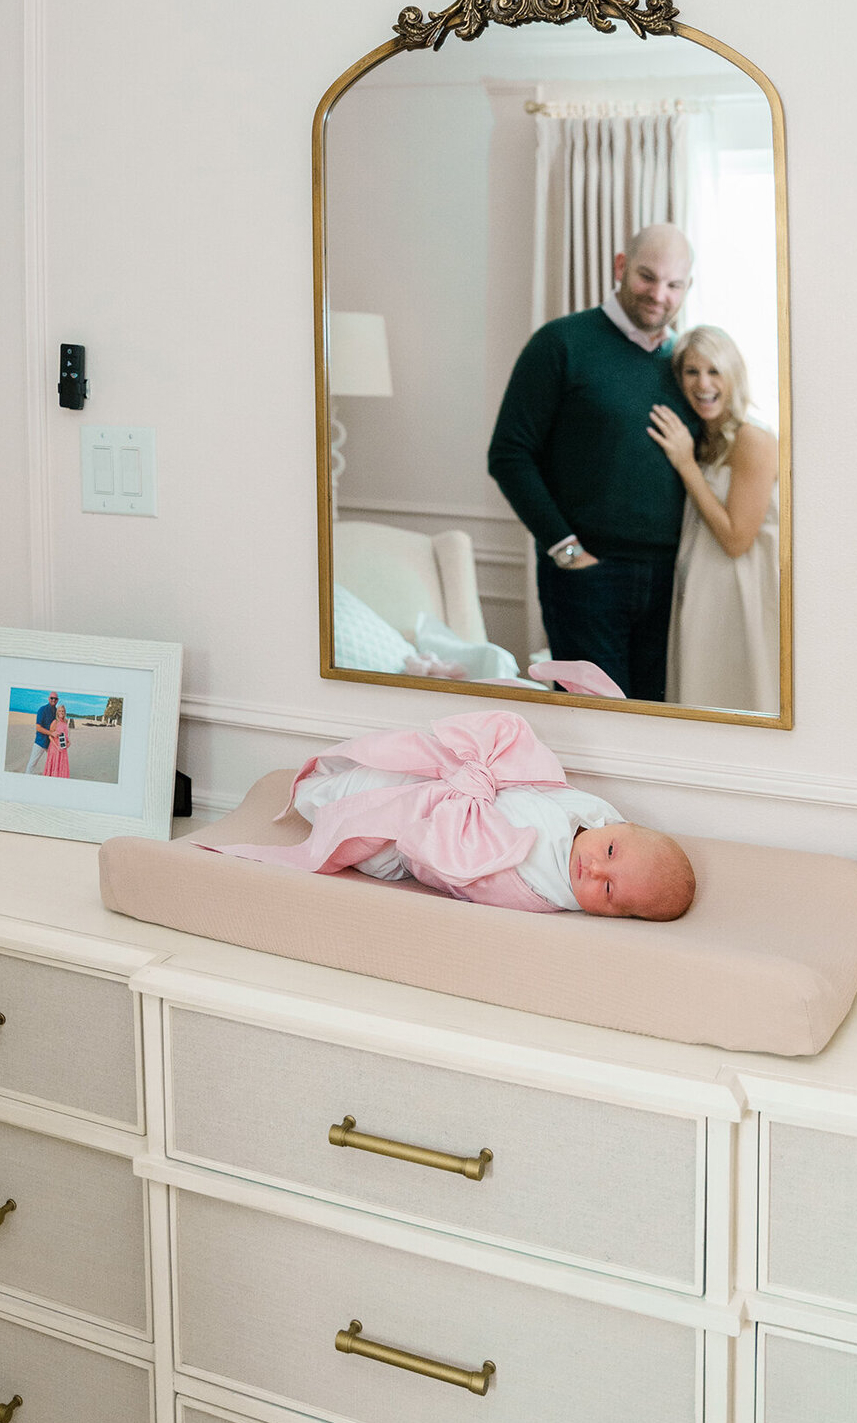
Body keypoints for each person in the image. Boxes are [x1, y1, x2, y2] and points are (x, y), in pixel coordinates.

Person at [487, 223, 700, 702]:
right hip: (588, 575)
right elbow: (509, 454)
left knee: (659, 725)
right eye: (648, 277)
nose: (659, 295)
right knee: (597, 728)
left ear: (688, 288)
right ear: (621, 267)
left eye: (674, 284)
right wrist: (568, 553)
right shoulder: (561, 343)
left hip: (672, 580)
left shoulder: (685, 362)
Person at [212, 711, 696, 920]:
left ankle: (323, 804)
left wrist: (457, 806)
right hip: (463, 786)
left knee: (376, 825)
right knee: (400, 760)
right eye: (610, 851)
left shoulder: (539, 886)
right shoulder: (592, 814)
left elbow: (461, 872)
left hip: (426, 839)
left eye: (608, 891)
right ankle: (327, 786)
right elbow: (542, 786)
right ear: (620, 825)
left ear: (613, 915)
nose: (593, 867)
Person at [647, 326, 780, 712]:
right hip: (703, 593)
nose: (703, 383)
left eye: (714, 371)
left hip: (740, 597)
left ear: (733, 375)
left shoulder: (753, 439)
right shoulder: (703, 440)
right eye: (691, 372)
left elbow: (737, 540)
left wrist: (686, 465)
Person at [24, 690, 60, 774]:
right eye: (52, 698)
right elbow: (38, 728)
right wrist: (51, 733)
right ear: (48, 699)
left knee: (54, 763)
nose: (53, 700)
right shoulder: (42, 709)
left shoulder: (57, 711)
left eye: (55, 698)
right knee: (32, 763)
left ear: (57, 700)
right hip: (40, 742)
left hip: (51, 743)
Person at [43, 704, 71, 779]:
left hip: (63, 748)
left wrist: (68, 743)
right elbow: (50, 736)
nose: (61, 712)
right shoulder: (55, 722)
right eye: (59, 711)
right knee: (54, 765)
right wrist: (56, 747)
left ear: (64, 712)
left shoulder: (65, 723)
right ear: (57, 712)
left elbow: (66, 737)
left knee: (61, 766)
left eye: (62, 711)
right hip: (54, 748)